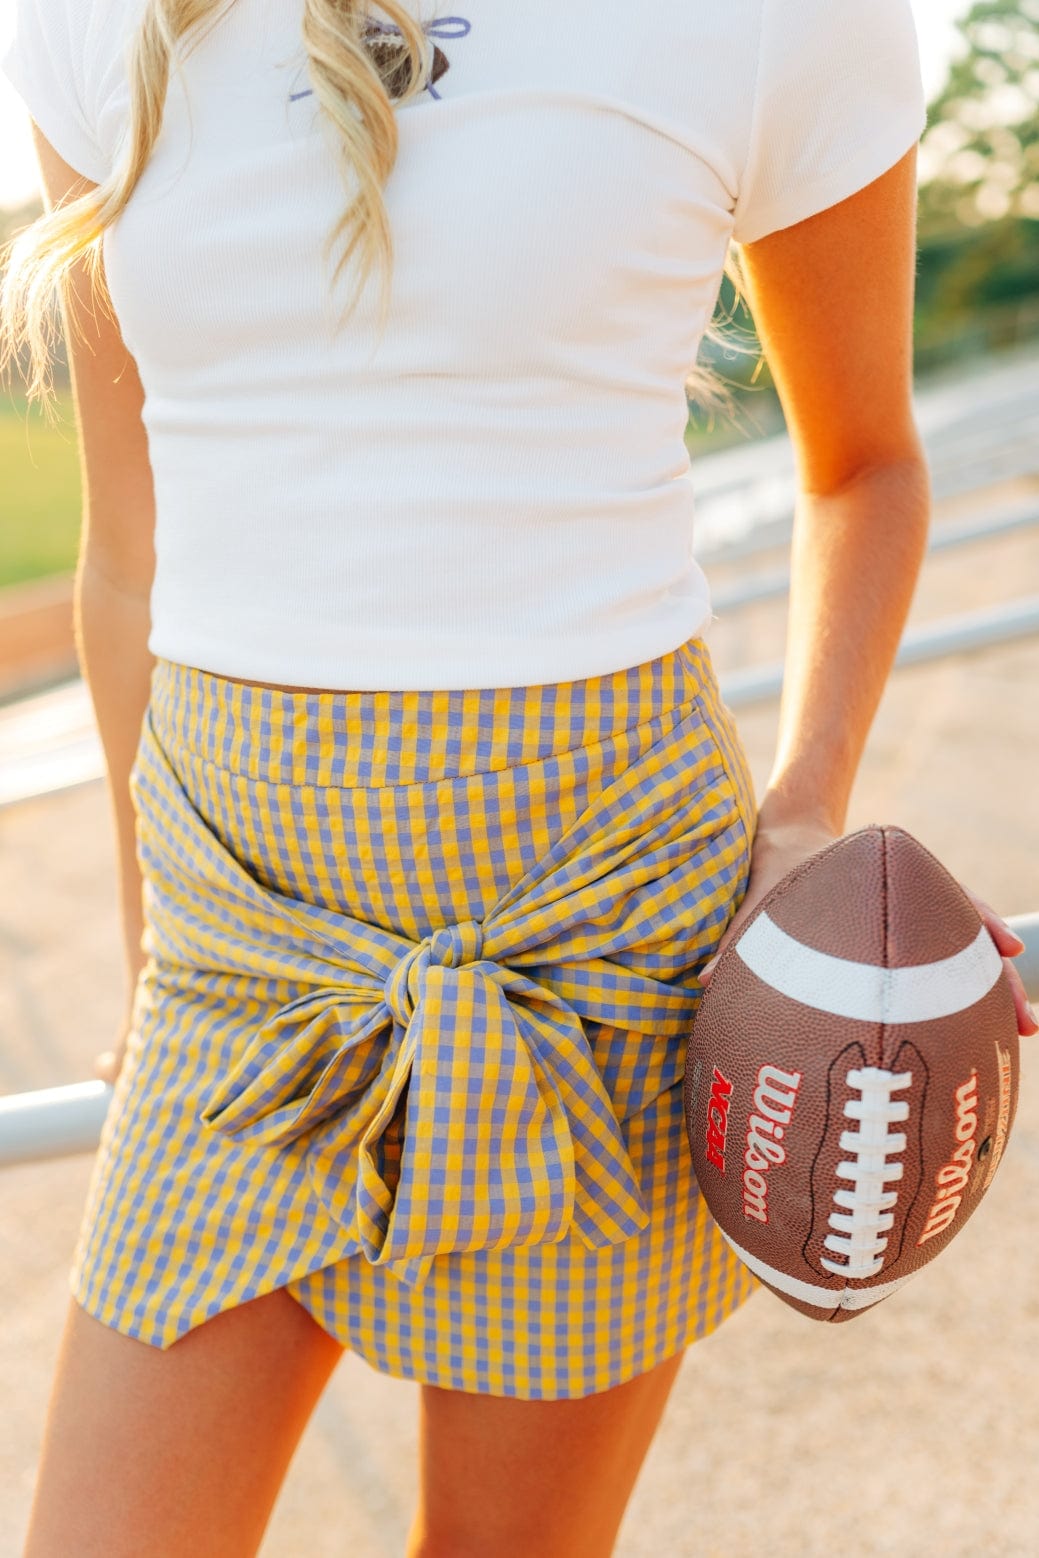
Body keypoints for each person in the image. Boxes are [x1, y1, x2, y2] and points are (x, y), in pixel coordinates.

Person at [1, 1, 1034, 1554]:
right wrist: (155, 953)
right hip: (238, 955)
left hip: (604, 948)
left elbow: (864, 466)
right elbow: (126, 554)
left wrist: (805, 810)